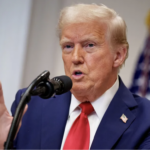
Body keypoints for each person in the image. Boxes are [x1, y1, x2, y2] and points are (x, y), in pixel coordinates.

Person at [0, 3, 150, 149]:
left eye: (89, 45)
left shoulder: (145, 120)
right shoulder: (29, 105)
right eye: (68, 46)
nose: (75, 57)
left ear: (118, 56)